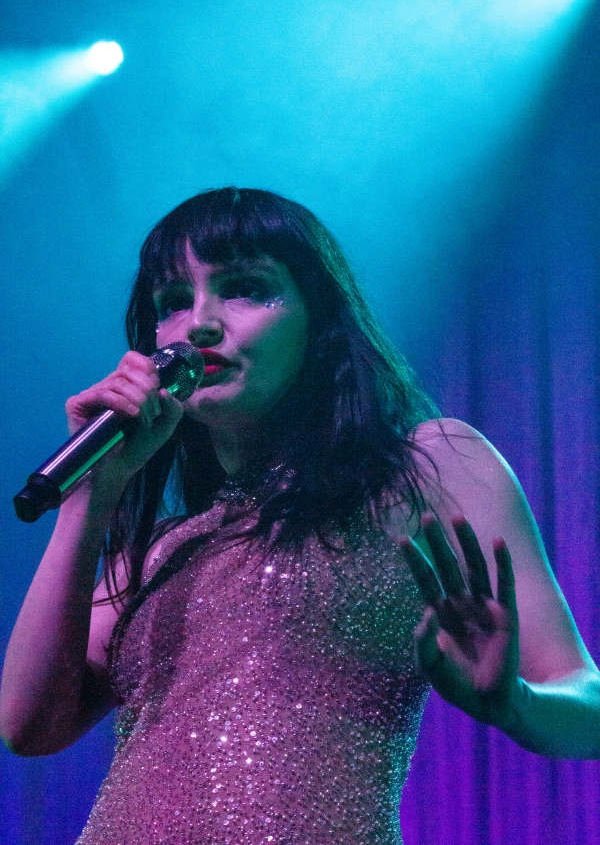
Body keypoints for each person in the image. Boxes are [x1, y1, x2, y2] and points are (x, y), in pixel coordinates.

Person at [1, 187, 599, 845]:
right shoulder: (163, 550)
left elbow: (587, 701)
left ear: (318, 320)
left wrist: (515, 703)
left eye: (244, 289)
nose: (199, 325)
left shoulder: (427, 467)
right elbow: (28, 726)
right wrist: (93, 494)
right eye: (172, 301)